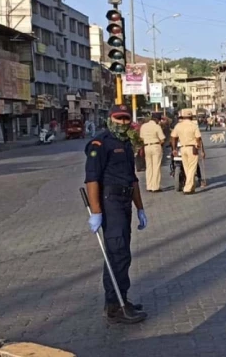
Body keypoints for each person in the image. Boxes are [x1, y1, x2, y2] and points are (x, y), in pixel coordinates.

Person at [84, 104, 148, 324]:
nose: (122, 122)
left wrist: (140, 208)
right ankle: (114, 307)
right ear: (110, 118)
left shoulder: (126, 144)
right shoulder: (99, 144)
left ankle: (121, 299)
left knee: (122, 254)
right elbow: (92, 179)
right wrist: (96, 212)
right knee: (117, 253)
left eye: (125, 119)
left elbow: (133, 179)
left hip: (124, 201)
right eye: (118, 118)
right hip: (110, 203)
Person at [170, 109, 205, 194]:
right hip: (192, 148)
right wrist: (202, 150)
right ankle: (187, 188)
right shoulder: (194, 126)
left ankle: (192, 187)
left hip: (182, 148)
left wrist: (174, 149)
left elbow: (173, 137)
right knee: (192, 168)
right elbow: (198, 138)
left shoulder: (178, 126)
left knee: (187, 169)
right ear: (191, 117)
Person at [139, 114, 166, 193]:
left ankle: (149, 185)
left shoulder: (143, 126)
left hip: (147, 146)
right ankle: (155, 187)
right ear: (157, 120)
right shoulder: (157, 127)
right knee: (156, 166)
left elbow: (141, 137)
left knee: (149, 166)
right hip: (156, 146)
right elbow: (162, 139)